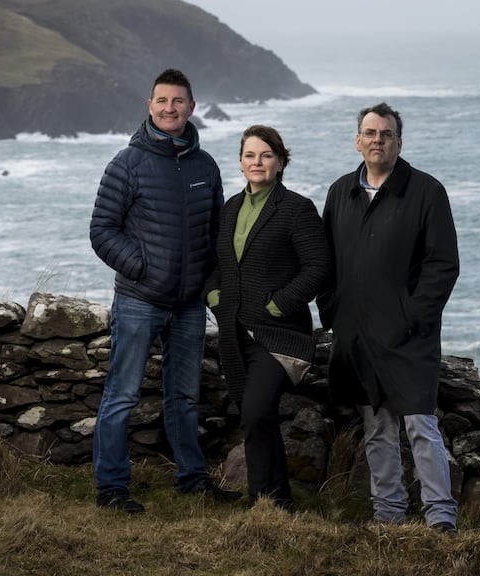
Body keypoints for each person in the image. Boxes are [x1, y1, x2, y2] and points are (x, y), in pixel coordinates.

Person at [89, 68, 240, 513]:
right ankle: (111, 488)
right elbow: (101, 231)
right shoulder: (127, 163)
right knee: (122, 395)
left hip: (190, 305)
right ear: (150, 106)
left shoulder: (205, 165)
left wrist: (206, 286)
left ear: (192, 107)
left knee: (184, 397)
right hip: (138, 300)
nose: (170, 108)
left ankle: (192, 480)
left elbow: (215, 236)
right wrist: (142, 268)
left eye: (178, 101)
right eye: (162, 101)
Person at [318, 102, 461, 533]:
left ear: (399, 142)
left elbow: (443, 265)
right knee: (376, 426)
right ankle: (389, 515)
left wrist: (412, 316)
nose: (377, 140)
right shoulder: (340, 191)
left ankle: (441, 520)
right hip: (357, 336)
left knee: (420, 424)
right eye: (370, 133)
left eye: (386, 134)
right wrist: (333, 311)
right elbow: (325, 261)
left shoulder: (426, 192)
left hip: (408, 336)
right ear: (357, 141)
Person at [204, 125, 330, 510]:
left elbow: (319, 267)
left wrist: (277, 305)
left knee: (257, 411)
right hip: (234, 333)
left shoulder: (296, 208)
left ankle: (262, 502)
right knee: (255, 418)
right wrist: (215, 297)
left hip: (280, 335)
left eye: (265, 155)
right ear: (241, 163)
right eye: (249, 156)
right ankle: (276, 503)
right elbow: (216, 263)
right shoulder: (230, 209)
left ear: (280, 161)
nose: (257, 162)